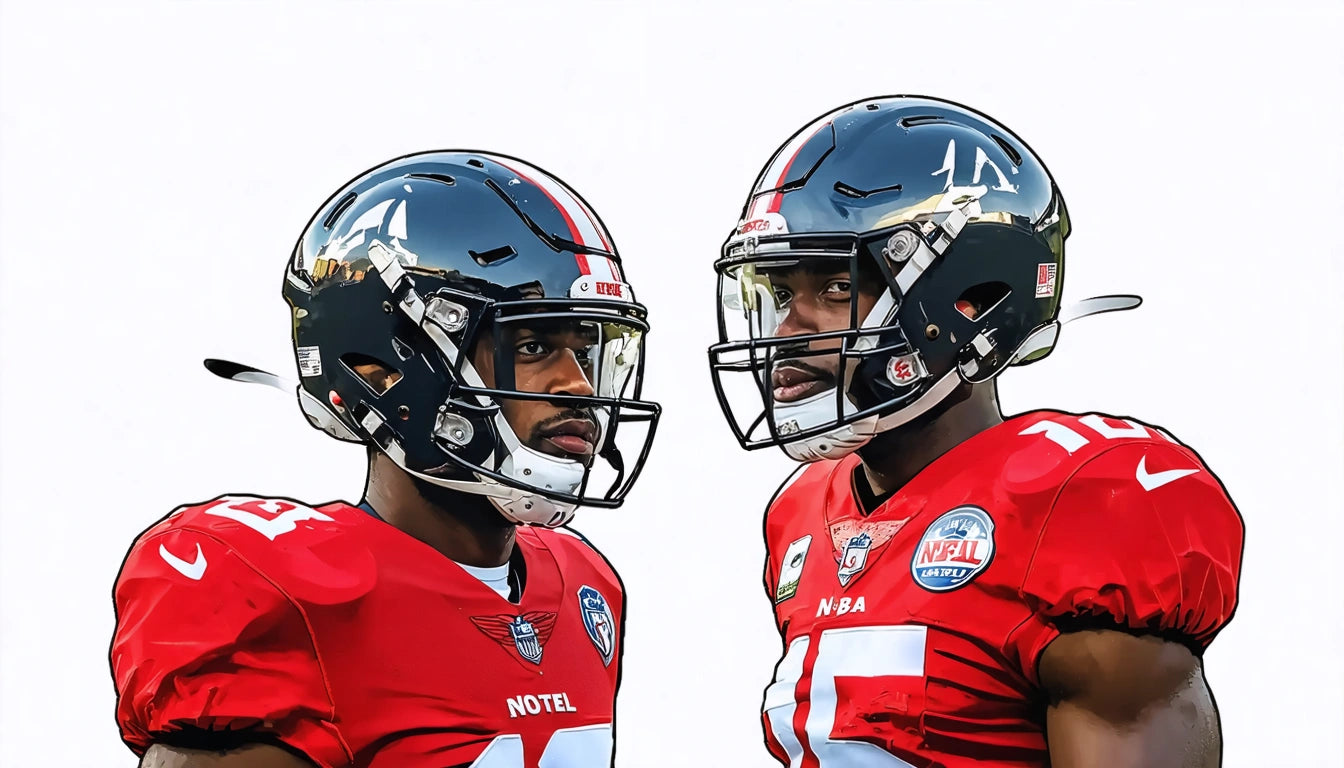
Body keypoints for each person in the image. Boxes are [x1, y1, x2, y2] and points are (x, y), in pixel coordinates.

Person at [707, 96, 1244, 767]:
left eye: (837, 288)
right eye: (783, 294)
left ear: (970, 299)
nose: (788, 330)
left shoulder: (1073, 502)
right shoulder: (801, 513)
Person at [109, 150, 660, 768]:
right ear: (383, 370)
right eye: (532, 347)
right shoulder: (291, 597)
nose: (578, 386)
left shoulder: (585, 584)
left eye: (587, 351)